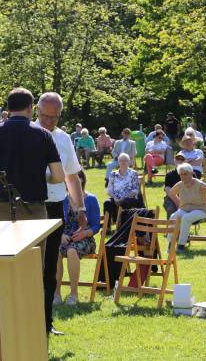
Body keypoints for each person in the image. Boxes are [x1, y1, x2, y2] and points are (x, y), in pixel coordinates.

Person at [34, 91, 87, 336]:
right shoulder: (27, 134)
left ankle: (46, 322)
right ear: (36, 112)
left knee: (50, 267)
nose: (48, 121)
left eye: (53, 118)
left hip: (55, 207)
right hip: (29, 207)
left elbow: (72, 175)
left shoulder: (64, 139)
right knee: (30, 265)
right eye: (44, 116)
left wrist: (81, 207)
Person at [0, 87, 65, 223]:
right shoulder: (44, 135)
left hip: (3, 207)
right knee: (35, 245)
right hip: (34, 209)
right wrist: (44, 177)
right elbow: (59, 176)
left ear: (9, 108)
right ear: (30, 108)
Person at [54, 170, 100, 306]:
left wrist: (85, 233)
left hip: (85, 238)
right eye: (69, 180)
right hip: (65, 237)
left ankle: (73, 294)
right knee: (55, 251)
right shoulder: (62, 200)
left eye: (75, 180)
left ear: (81, 181)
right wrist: (61, 234)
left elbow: (96, 225)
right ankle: (56, 294)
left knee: (71, 251)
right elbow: (58, 222)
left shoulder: (91, 199)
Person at [168, 163, 206, 252]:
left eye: (185, 174)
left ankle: (181, 246)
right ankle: (171, 244)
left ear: (191, 173)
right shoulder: (180, 184)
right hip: (184, 209)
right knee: (173, 216)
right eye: (181, 174)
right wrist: (179, 202)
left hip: (200, 210)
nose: (183, 176)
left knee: (186, 218)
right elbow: (171, 193)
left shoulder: (198, 184)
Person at [104, 153, 142, 226]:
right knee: (107, 202)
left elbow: (135, 190)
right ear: (118, 162)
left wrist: (123, 198)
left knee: (125, 202)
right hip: (116, 198)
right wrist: (115, 198)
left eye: (125, 160)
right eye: (121, 160)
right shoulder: (113, 174)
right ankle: (107, 227)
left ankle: (123, 225)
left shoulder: (133, 173)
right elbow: (109, 190)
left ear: (129, 162)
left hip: (129, 197)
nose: (123, 162)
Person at [163, 153, 196, 218]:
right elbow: (168, 190)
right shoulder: (169, 174)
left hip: (188, 197)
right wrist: (178, 202)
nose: (179, 161)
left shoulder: (191, 173)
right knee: (172, 209)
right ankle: (172, 227)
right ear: (174, 161)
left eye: (182, 159)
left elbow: (196, 188)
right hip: (172, 198)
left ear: (185, 161)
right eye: (177, 159)